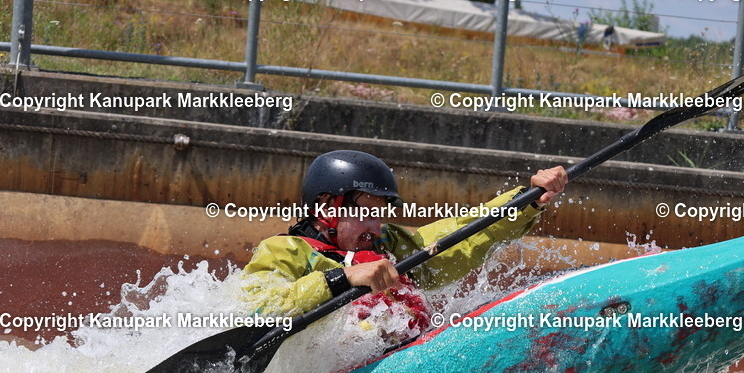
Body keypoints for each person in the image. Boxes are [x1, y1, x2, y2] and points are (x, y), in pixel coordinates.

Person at [241, 150, 567, 345]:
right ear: (327, 208)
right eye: (364, 213)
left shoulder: (389, 245)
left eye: (378, 215)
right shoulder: (283, 251)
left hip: (397, 355)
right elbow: (256, 307)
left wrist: (526, 200)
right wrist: (344, 277)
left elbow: (461, 235)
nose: (374, 226)